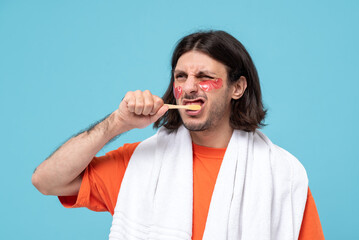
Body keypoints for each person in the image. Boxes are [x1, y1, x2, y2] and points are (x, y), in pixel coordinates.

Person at [32, 30, 324, 240]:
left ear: (237, 88)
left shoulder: (282, 173)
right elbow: (46, 181)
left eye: (205, 77)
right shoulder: (140, 163)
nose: (189, 87)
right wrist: (117, 122)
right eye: (181, 76)